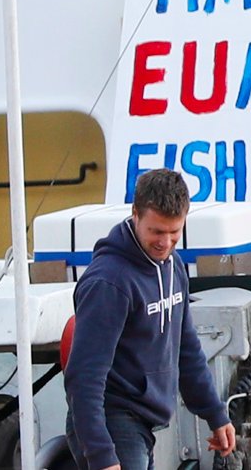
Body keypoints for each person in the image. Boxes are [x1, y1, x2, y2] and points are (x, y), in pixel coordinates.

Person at [64, 169, 237, 470]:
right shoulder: (109, 282)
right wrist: (102, 455)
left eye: (175, 232)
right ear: (135, 214)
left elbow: (186, 348)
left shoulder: (174, 266)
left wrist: (215, 413)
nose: (166, 242)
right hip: (111, 422)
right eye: (156, 232)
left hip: (145, 423)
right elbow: (84, 376)